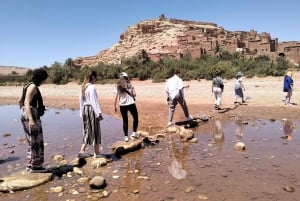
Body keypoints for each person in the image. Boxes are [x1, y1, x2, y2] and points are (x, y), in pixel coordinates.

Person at [18, 68, 48, 173]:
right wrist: (30, 119)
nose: (44, 81)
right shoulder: (33, 86)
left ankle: (31, 164)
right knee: (36, 141)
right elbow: (26, 102)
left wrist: (23, 113)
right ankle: (36, 167)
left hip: (25, 112)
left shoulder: (27, 85)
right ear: (41, 78)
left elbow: (20, 101)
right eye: (44, 79)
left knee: (31, 140)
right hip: (31, 113)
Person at [78, 71, 103, 158]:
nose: (96, 79)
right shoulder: (91, 87)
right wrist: (98, 113)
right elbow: (94, 101)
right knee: (95, 130)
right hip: (91, 110)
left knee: (87, 130)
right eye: (96, 77)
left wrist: (81, 113)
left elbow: (81, 101)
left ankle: (82, 151)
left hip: (85, 110)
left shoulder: (84, 87)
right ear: (93, 77)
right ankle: (97, 152)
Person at [114, 72, 139, 142]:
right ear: (126, 77)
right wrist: (132, 93)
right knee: (136, 118)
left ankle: (126, 137)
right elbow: (134, 94)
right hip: (131, 104)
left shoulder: (117, 86)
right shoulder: (130, 84)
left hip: (122, 105)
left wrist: (115, 106)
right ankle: (134, 133)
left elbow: (116, 97)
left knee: (125, 121)